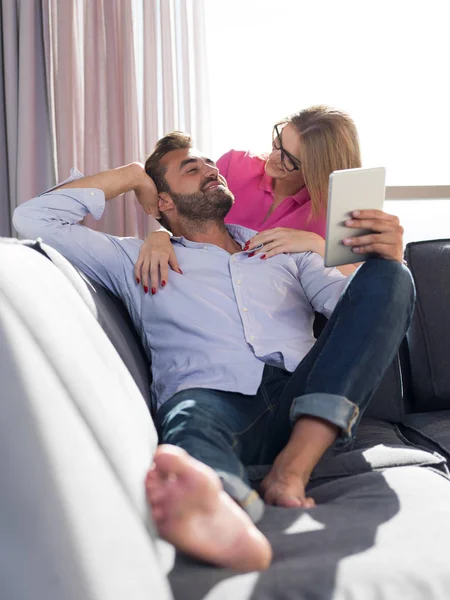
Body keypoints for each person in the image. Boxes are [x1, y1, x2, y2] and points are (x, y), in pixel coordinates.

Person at [13, 132, 414, 573]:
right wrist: (131, 176)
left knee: (392, 276)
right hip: (210, 395)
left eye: (210, 164)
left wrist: (380, 257)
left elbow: (358, 314)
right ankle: (225, 509)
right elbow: (34, 219)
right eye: (191, 168)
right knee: (189, 428)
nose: (210, 169)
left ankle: (291, 469)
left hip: (303, 401)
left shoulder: (284, 249)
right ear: (163, 201)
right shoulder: (129, 258)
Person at [134, 105, 396, 292]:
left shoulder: (337, 210)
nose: (273, 158)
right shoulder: (233, 167)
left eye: (290, 160)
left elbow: (364, 288)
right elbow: (186, 211)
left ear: (318, 171)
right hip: (208, 291)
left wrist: (314, 243)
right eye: (277, 144)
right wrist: (160, 235)